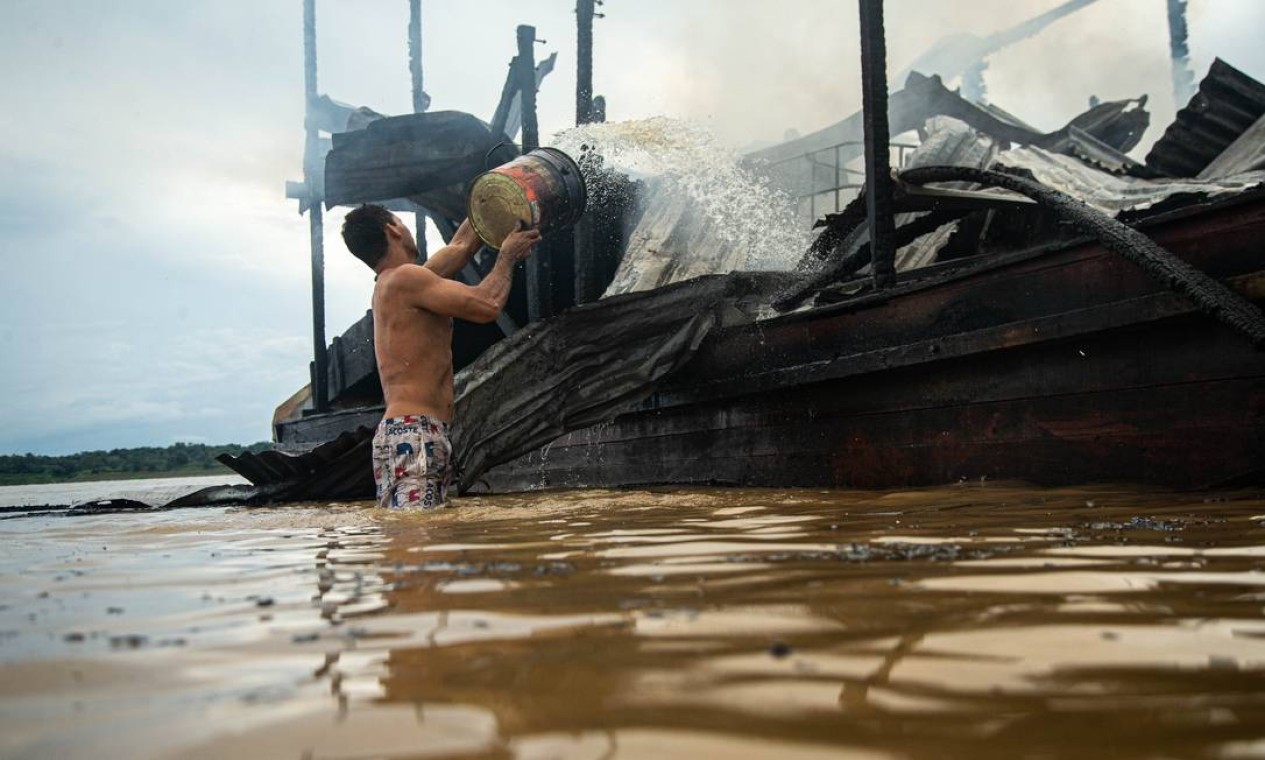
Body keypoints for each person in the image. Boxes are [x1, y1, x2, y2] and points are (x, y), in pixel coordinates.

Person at [340, 204, 540, 509]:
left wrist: (491, 199)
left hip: (415, 430)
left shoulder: (399, 283)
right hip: (414, 432)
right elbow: (486, 304)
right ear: (393, 229)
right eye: (402, 223)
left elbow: (460, 247)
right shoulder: (405, 279)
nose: (406, 228)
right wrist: (507, 256)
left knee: (421, 538)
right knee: (416, 540)